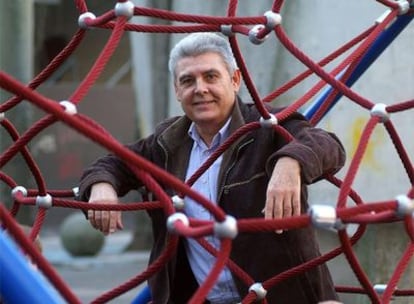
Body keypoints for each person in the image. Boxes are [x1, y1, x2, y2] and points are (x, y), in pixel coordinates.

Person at [78, 32, 346, 304]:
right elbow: (114, 163)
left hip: (280, 296)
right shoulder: (167, 143)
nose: (200, 89)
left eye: (211, 76)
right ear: (177, 90)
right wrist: (102, 185)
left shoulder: (266, 127)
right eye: (187, 80)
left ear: (235, 80)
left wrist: (290, 162)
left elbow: (327, 145)